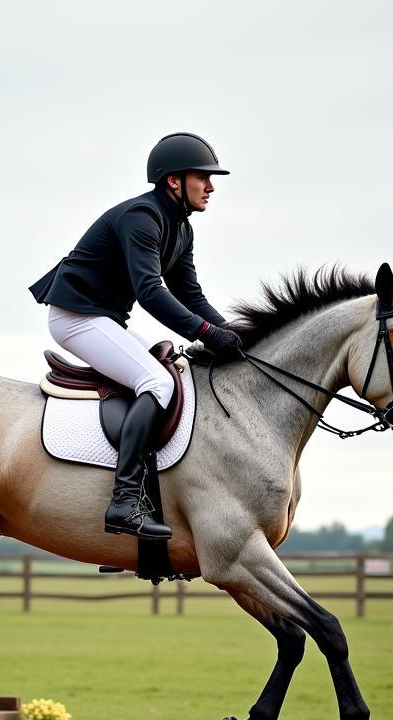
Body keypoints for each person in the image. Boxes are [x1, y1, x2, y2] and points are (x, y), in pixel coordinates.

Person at [29, 132, 244, 540]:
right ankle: (124, 502)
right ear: (174, 181)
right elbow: (150, 291)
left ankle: (146, 496)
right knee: (157, 380)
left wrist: (231, 333)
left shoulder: (182, 230)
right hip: (76, 317)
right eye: (204, 177)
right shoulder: (141, 218)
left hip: (104, 319)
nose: (211, 187)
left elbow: (190, 294)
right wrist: (206, 333)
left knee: (174, 375)